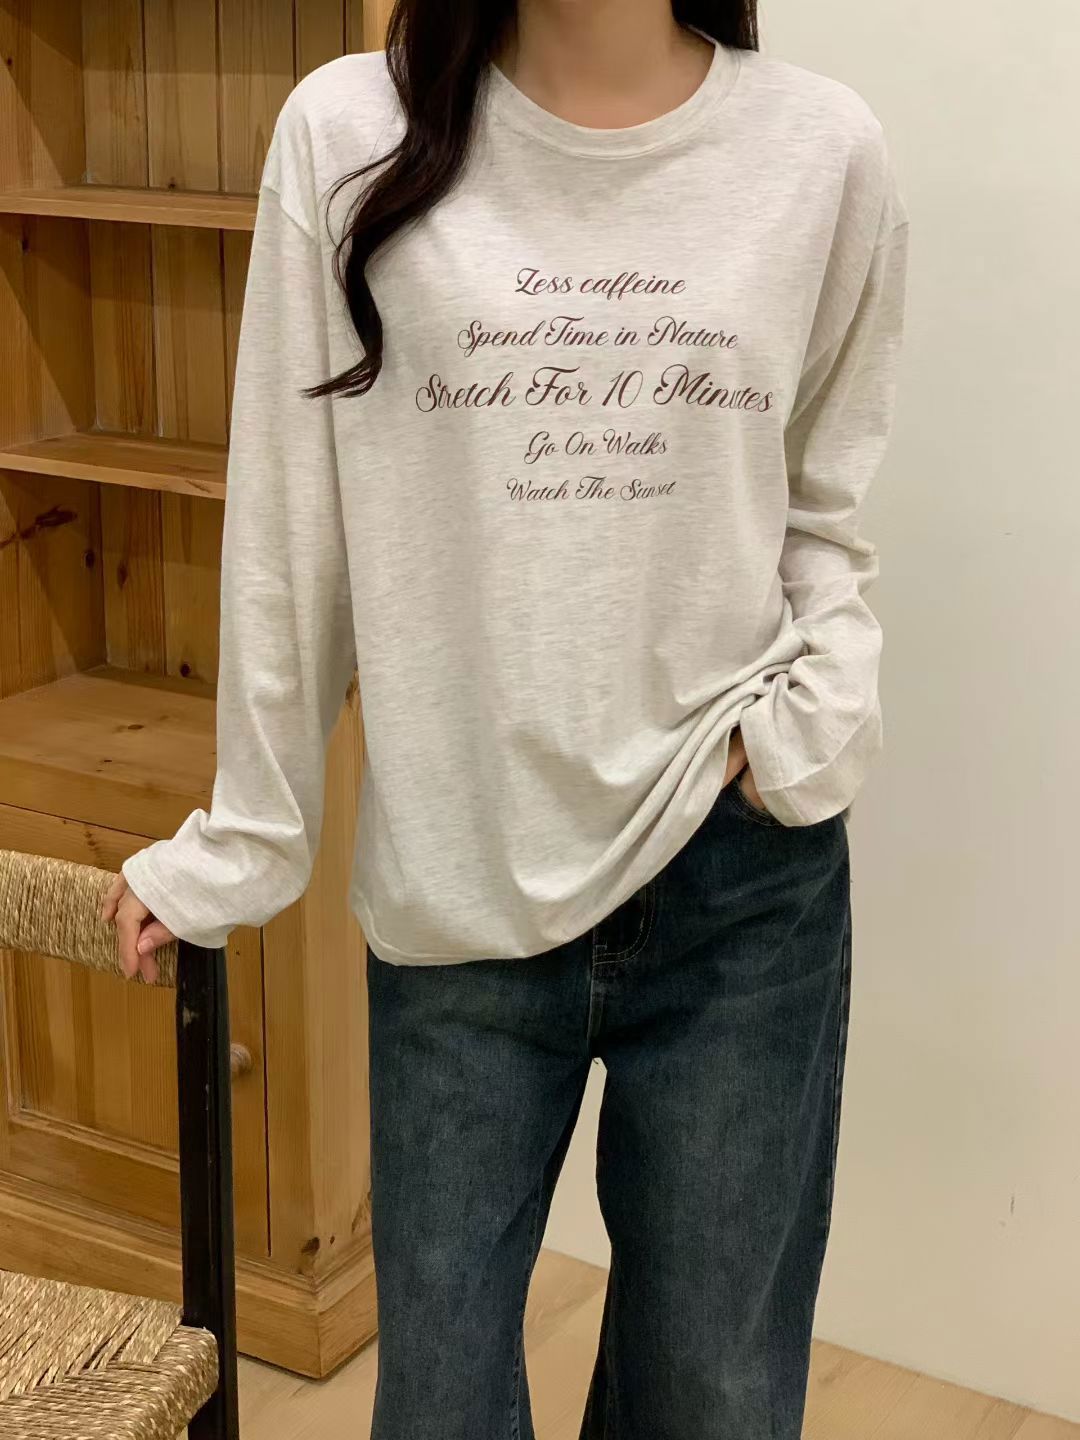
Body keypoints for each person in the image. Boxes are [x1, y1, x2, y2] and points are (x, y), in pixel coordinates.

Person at [101, 1, 909, 1435]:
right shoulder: (349, 133)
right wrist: (246, 838)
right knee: (442, 1405)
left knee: (714, 1401)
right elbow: (292, 529)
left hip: (739, 885)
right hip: (460, 880)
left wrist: (798, 737)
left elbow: (826, 511)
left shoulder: (820, 150)